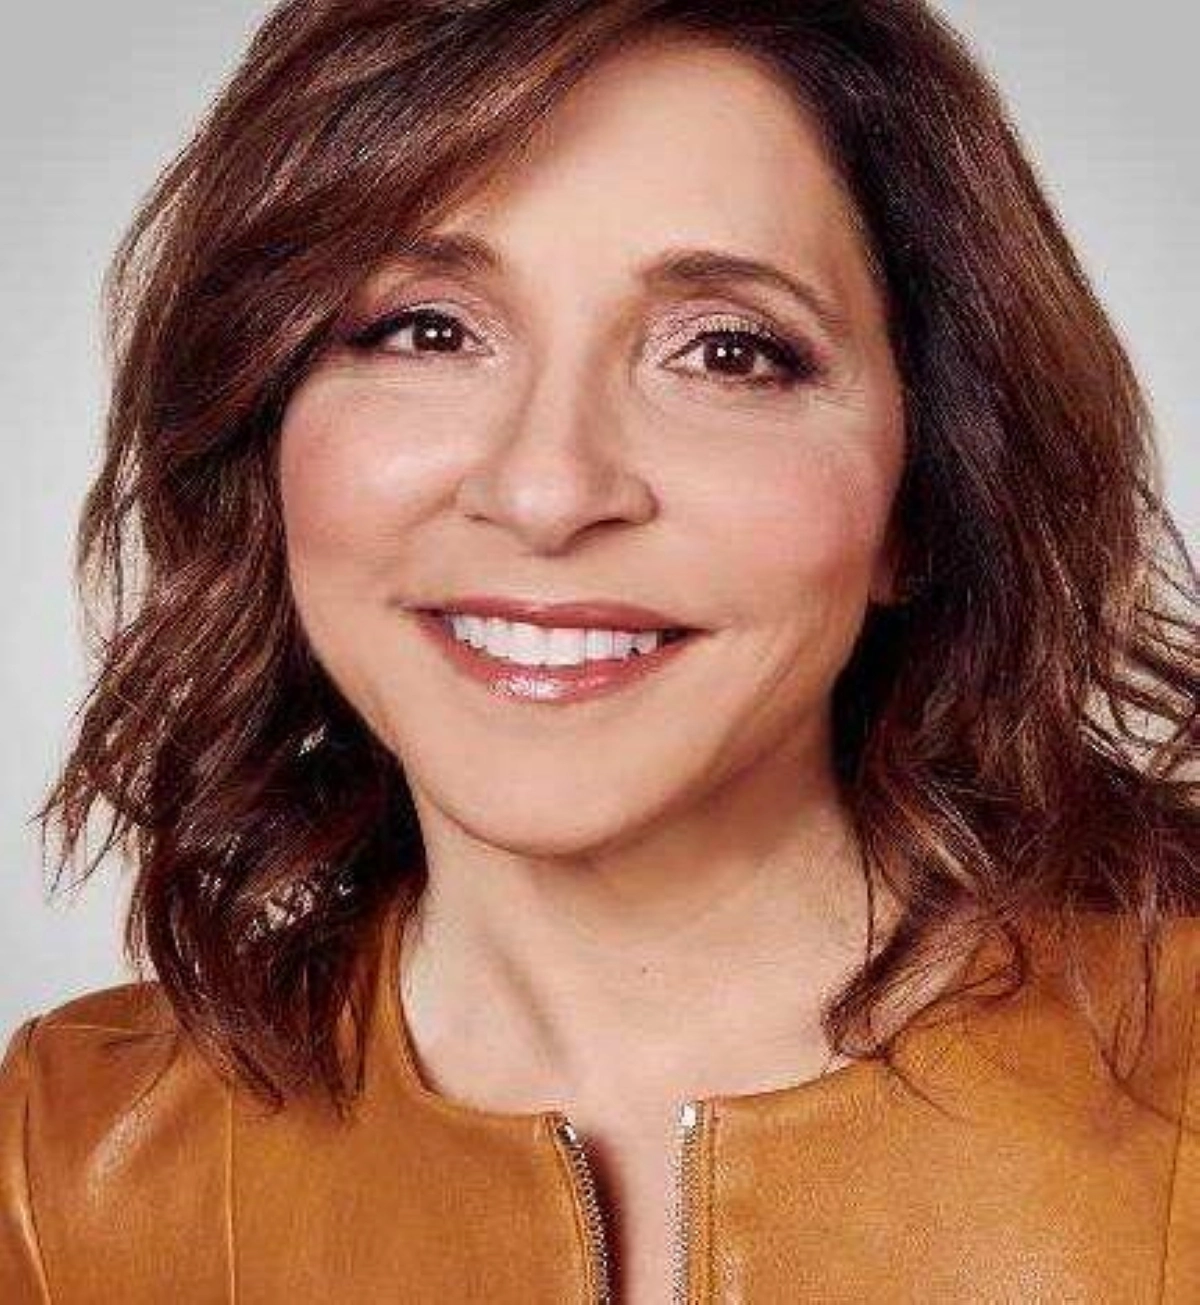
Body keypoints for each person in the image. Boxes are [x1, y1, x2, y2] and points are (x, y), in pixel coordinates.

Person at [2, 0, 1198, 1300]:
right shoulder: (69, 1167)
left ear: (926, 490)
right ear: (264, 422)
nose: (548, 489)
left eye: (727, 353)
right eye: (427, 330)